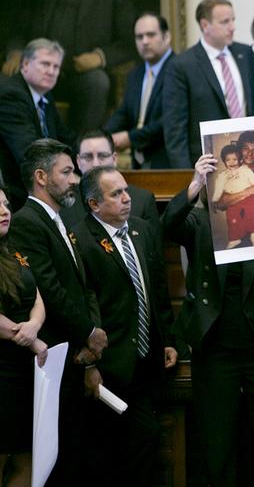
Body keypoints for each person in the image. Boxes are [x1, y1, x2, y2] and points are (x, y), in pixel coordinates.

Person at [162, 154, 254, 487]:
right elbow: (169, 226)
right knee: (217, 444)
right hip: (217, 345)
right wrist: (193, 184)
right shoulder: (200, 222)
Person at [8, 138, 106, 485]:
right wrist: (87, 332)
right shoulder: (27, 221)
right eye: (66, 172)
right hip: (51, 357)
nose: (76, 179)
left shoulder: (60, 219)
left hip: (74, 356)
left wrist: (91, 332)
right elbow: (49, 289)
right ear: (41, 177)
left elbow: (82, 286)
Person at [71, 166, 177, 486]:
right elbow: (83, 304)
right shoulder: (81, 239)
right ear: (93, 204)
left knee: (143, 442)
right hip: (109, 365)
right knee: (108, 452)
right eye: (116, 194)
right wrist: (89, 362)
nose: (127, 199)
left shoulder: (141, 229)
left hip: (144, 361)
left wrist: (168, 339)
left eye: (126, 190)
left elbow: (157, 288)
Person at [3, 0, 136, 135]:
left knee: (97, 82)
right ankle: (23, 150)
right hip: (39, 72)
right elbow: (18, 30)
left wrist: (100, 57)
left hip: (80, 75)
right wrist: (16, 52)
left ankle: (80, 153)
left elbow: (129, 40)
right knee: (7, 81)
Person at [163, 0, 254, 168]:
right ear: (205, 25)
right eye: (225, 22)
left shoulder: (245, 53)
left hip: (249, 158)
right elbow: (175, 128)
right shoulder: (182, 65)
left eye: (233, 20)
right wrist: (185, 176)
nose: (232, 27)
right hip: (209, 164)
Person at [0, 183, 48, 487]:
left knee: (27, 457)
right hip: (1, 370)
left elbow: (37, 296)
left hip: (24, 369)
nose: (4, 212)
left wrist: (35, 324)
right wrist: (31, 337)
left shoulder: (13, 249)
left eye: (5, 205)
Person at [0, 38, 74, 210]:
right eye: (45, 64)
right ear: (25, 64)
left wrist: (88, 159)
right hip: (18, 194)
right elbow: (29, 152)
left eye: (56, 67)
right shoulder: (10, 95)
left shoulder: (45, 96)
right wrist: (68, 173)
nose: (51, 71)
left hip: (43, 182)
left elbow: (65, 137)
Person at [104, 12, 174, 169]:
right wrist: (103, 138)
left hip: (168, 163)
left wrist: (130, 138)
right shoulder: (135, 74)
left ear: (166, 36)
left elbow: (169, 120)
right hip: (140, 163)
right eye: (139, 36)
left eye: (150, 35)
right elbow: (124, 113)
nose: (145, 41)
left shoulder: (180, 69)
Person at [60, 129, 160, 234]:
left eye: (102, 156)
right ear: (79, 162)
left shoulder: (142, 200)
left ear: (114, 159)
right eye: (88, 157)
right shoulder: (63, 202)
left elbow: (154, 248)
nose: (96, 164)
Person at [211, 144, 254, 249]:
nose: (231, 162)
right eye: (228, 160)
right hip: (233, 199)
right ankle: (234, 238)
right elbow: (219, 188)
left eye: (234, 159)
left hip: (248, 197)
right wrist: (214, 200)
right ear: (224, 161)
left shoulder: (245, 169)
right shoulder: (222, 175)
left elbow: (253, 179)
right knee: (232, 219)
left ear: (240, 160)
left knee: (252, 213)